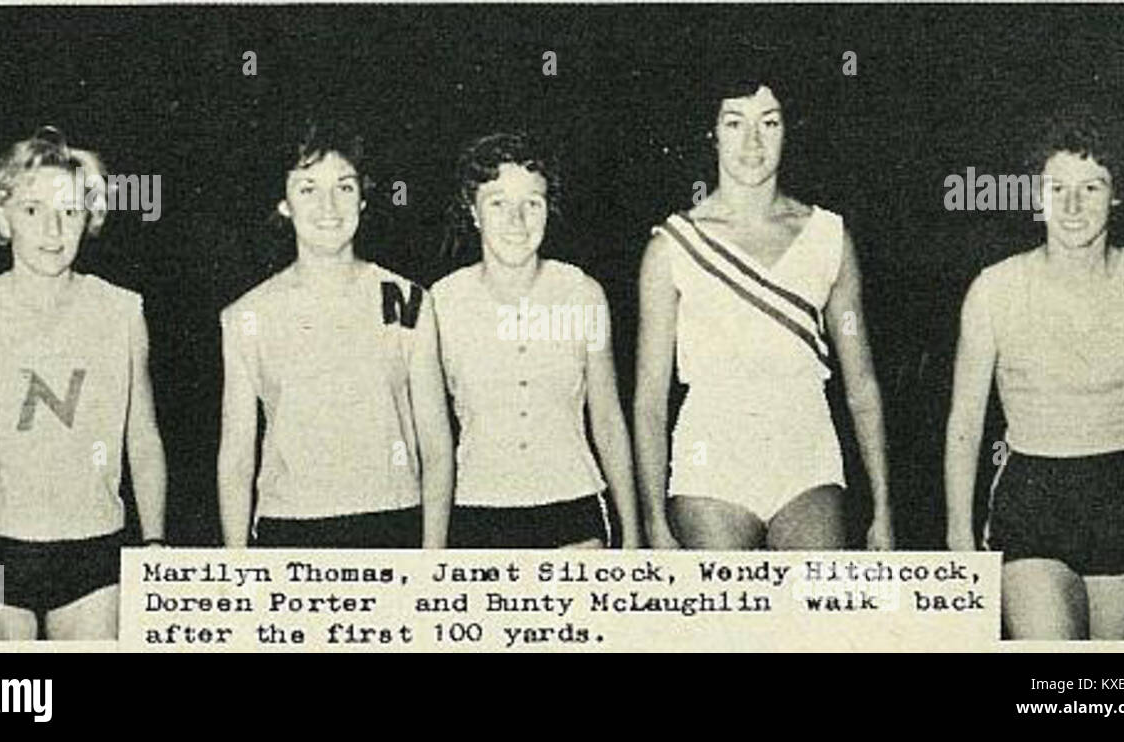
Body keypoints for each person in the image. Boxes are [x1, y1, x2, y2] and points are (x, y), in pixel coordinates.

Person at [0, 127, 166, 640]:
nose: (52, 230)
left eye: (69, 212)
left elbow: (144, 438)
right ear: (1, 215)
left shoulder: (121, 311)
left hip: (92, 556)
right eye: (32, 211)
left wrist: (153, 552)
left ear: (89, 217)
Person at [945, 114, 1124, 639]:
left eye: (1091, 187)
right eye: (1057, 188)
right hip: (1032, 501)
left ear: (1117, 195)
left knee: (1102, 686)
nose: (1073, 206)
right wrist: (958, 535)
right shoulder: (996, 290)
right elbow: (965, 421)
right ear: (1035, 198)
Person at [634, 80, 893, 550]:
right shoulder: (671, 247)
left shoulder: (828, 236)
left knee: (814, 615)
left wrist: (883, 511)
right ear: (712, 133)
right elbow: (650, 400)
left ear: (789, 130)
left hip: (807, 456)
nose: (752, 143)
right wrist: (654, 521)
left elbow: (863, 387)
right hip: (711, 459)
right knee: (729, 617)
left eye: (769, 123)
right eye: (735, 124)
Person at [217, 121, 453, 549]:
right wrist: (237, 571)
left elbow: (437, 446)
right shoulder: (246, 316)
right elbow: (235, 458)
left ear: (363, 197)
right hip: (289, 530)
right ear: (283, 202)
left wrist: (432, 560)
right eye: (308, 188)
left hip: (393, 525)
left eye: (344, 187)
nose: (328, 206)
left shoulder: (409, 299)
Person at [432, 132, 641, 548]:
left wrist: (633, 536)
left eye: (532, 203)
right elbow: (430, 436)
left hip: (574, 509)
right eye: (498, 204)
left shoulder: (582, 292)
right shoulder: (441, 303)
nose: (517, 221)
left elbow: (608, 420)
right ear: (473, 213)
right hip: (476, 512)